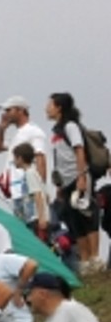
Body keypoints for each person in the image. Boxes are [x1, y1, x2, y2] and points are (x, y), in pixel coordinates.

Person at [48, 92, 101, 271]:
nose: (47, 109)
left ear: (59, 107)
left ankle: (94, 257)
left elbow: (79, 151)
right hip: (65, 182)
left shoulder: (70, 126)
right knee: (74, 220)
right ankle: (85, 260)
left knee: (88, 216)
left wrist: (82, 176)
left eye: (50, 105)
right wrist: (59, 185)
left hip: (78, 177)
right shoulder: (56, 130)